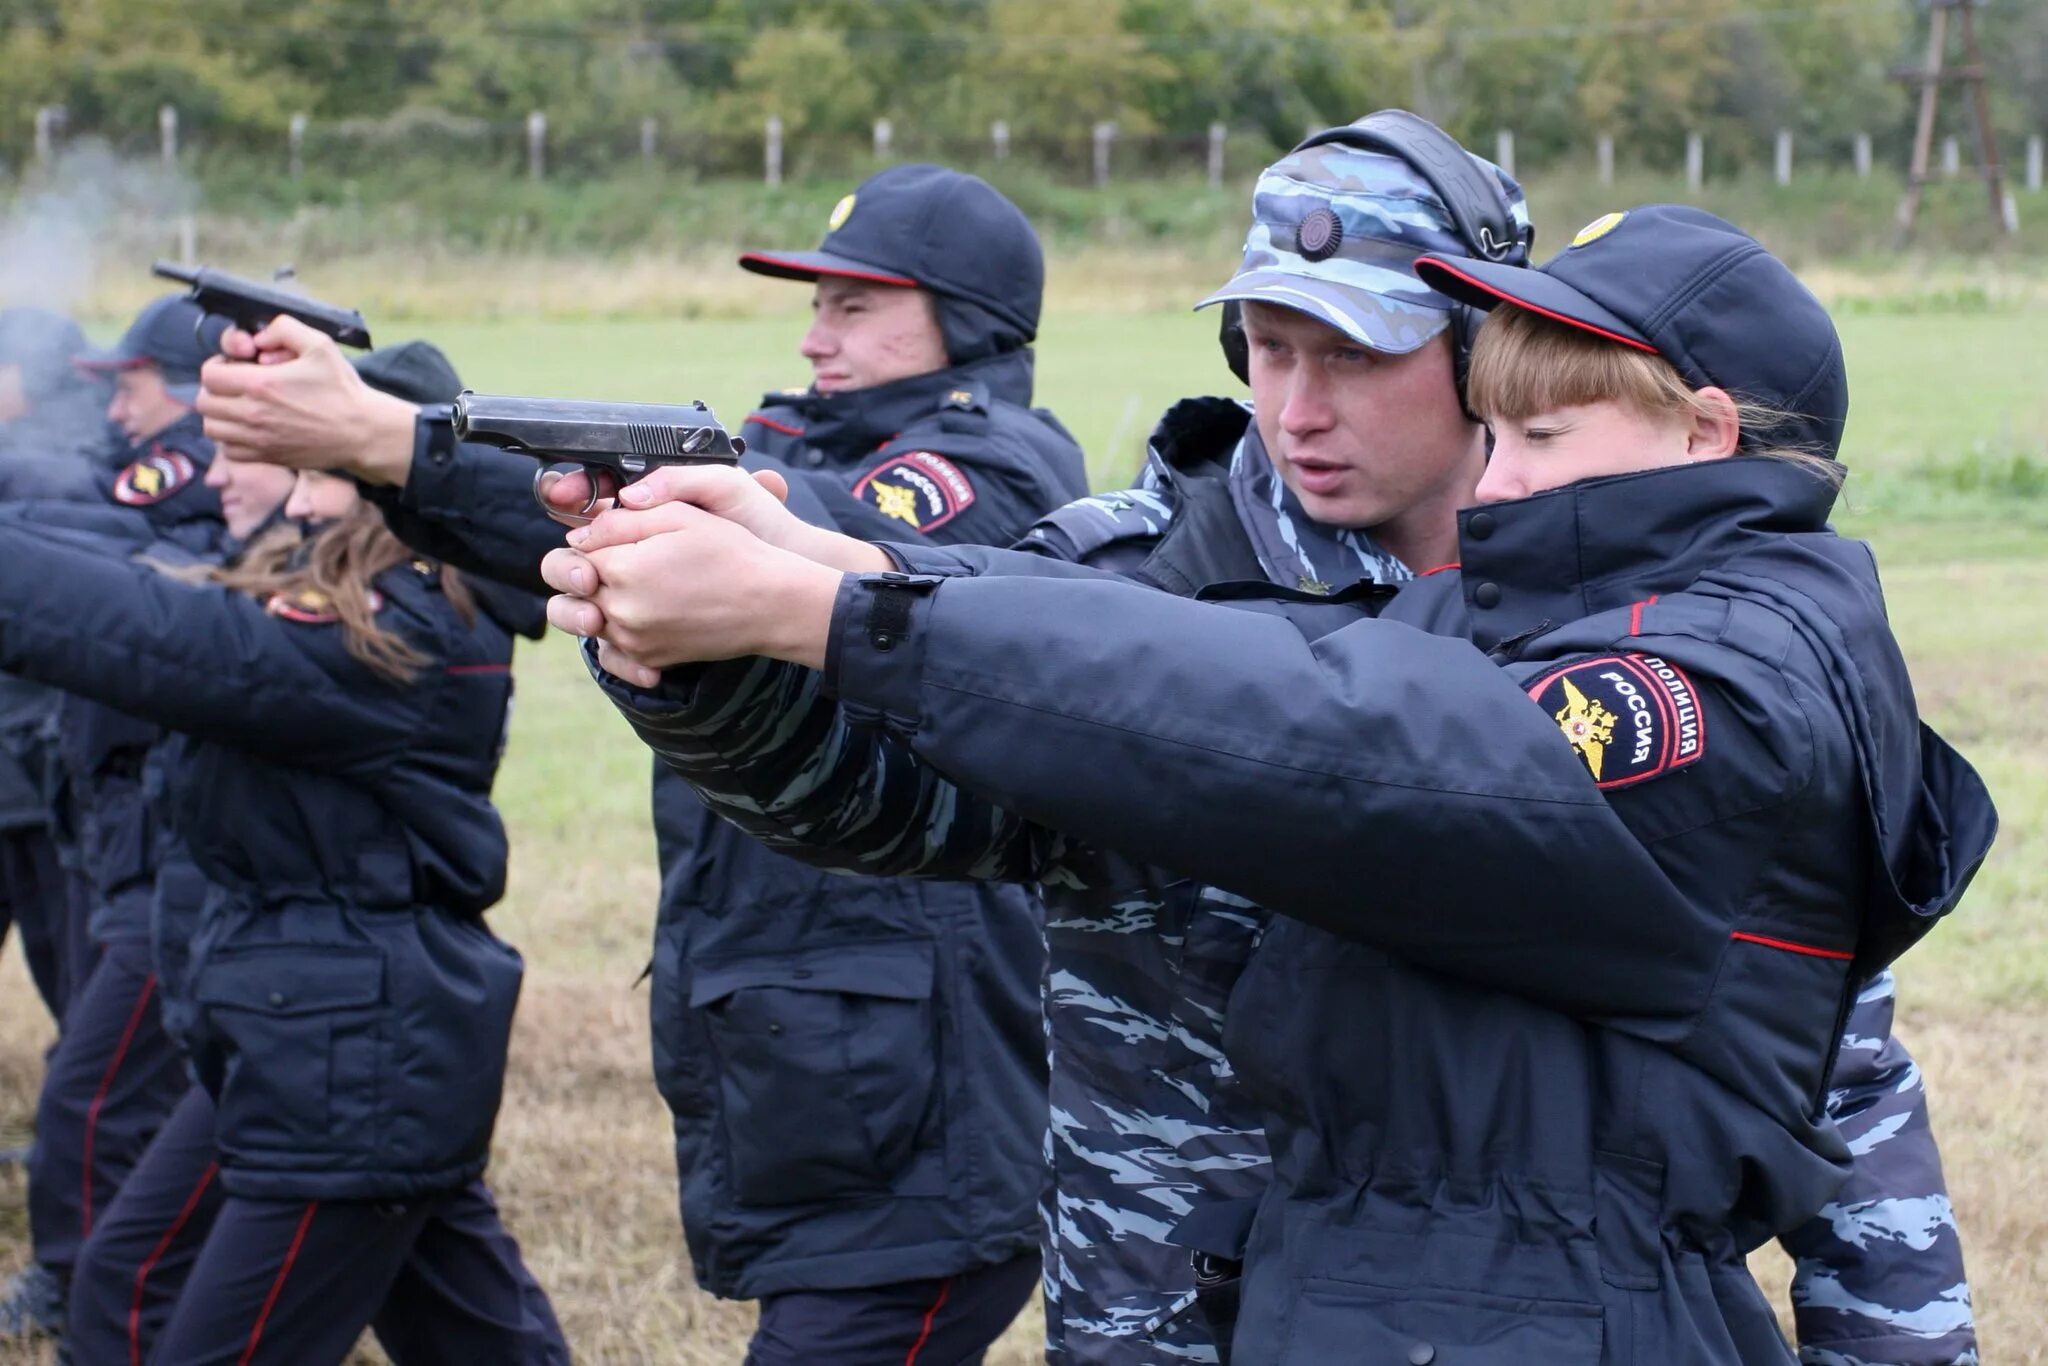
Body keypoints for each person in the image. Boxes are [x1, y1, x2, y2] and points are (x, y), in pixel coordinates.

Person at [542, 190, 1993, 1366]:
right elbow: (1236, 646)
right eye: (1268, 350)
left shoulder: (1708, 678)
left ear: (1707, 431)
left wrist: (836, 613)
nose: (1495, 482)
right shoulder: (1547, 618)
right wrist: (822, 562)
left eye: (1535, 435)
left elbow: (1345, 734)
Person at [196, 164, 1087, 1362]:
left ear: (966, 320)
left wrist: (387, 439)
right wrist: (391, 431)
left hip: (918, 1109)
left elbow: (785, 541)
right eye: (813, 304)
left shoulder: (982, 471)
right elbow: (593, 520)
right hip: (835, 1079)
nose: (815, 335)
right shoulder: (793, 439)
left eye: (854, 306)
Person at [0, 295, 229, 1343]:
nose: (117, 403)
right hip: (123, 821)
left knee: (90, 1098)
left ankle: (76, 1280)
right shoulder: (177, 461)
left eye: (129, 381)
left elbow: (113, 520)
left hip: (167, 839)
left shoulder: (196, 467)